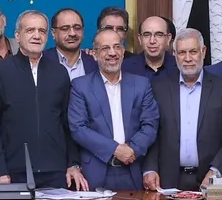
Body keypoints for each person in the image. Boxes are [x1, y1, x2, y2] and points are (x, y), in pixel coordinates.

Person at [0, 10, 88, 190]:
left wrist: (73, 163)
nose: (37, 36)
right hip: (13, 171)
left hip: (56, 170)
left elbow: (67, 122)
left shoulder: (59, 72)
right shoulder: (0, 72)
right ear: (17, 35)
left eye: (42, 31)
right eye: (30, 30)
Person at [144, 28, 222, 191]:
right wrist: (150, 169)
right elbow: (150, 133)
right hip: (167, 180)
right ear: (175, 55)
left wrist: (216, 170)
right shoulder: (159, 88)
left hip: (211, 178)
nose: (188, 58)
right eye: (182, 53)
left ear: (203, 52)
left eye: (193, 52)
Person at [68, 28, 159, 191]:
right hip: (95, 172)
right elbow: (78, 128)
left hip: (133, 169)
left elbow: (150, 125)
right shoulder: (80, 86)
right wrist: (115, 149)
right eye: (105, 48)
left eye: (117, 47)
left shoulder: (141, 84)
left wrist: (132, 150)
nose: (112, 53)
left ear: (123, 52)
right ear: (95, 54)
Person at [43, 7, 98, 80]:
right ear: (53, 33)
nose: (72, 33)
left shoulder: (95, 61)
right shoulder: (41, 60)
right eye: (65, 28)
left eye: (77, 28)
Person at [122, 16, 177, 81]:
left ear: (168, 38)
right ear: (140, 39)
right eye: (147, 35)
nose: (152, 41)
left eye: (159, 35)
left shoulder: (179, 67)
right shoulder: (125, 67)